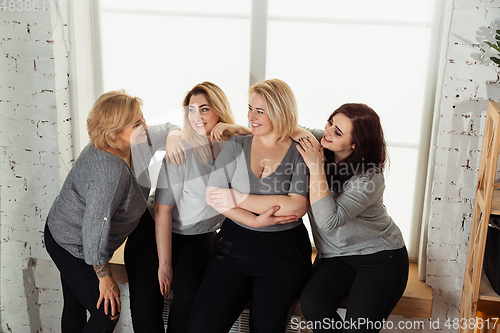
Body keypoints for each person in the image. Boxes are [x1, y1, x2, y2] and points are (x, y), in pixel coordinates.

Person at [44, 90, 181, 332]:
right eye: (137, 123)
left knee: (76, 303)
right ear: (115, 135)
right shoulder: (109, 173)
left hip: (85, 234)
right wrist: (104, 277)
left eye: (142, 118)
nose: (145, 126)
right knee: (107, 314)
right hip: (72, 244)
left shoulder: (138, 140)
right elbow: (94, 229)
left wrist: (173, 136)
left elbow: (170, 127)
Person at [124, 81, 251, 333]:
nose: (196, 117)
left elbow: (267, 137)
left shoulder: (236, 147)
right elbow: (162, 211)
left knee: (188, 295)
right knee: (146, 304)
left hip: (198, 235)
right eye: (191, 110)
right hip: (155, 231)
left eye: (204, 109)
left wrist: (235, 128)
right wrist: (165, 264)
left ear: (218, 110)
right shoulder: (182, 151)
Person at [188, 78, 312, 333]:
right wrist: (255, 220)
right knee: (201, 326)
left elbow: (297, 206)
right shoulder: (237, 145)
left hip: (284, 253)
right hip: (235, 245)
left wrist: (235, 197)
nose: (250, 116)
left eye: (260, 111)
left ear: (279, 112)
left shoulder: (301, 150)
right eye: (250, 108)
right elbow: (213, 194)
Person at [294, 103, 409, 333]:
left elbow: (329, 221)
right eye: (330, 122)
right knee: (313, 306)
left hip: (380, 258)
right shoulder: (324, 141)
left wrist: (316, 167)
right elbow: (282, 127)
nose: (327, 131)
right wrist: (236, 129)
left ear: (355, 144)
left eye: (338, 132)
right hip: (337, 255)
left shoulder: (369, 178)